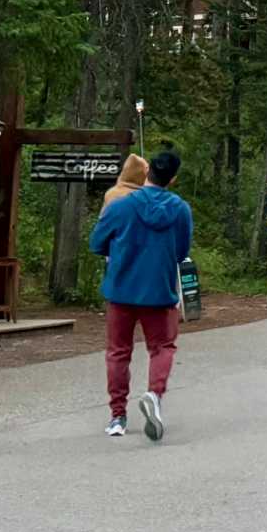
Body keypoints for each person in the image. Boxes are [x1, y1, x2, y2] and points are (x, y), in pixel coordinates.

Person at [90, 146, 192, 442]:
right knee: (162, 347)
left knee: (118, 352)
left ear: (148, 172)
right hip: (159, 292)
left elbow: (97, 243)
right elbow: (182, 252)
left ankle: (117, 416)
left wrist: (121, 249)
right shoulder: (180, 210)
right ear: (172, 179)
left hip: (120, 289)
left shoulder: (120, 206)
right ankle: (154, 395)